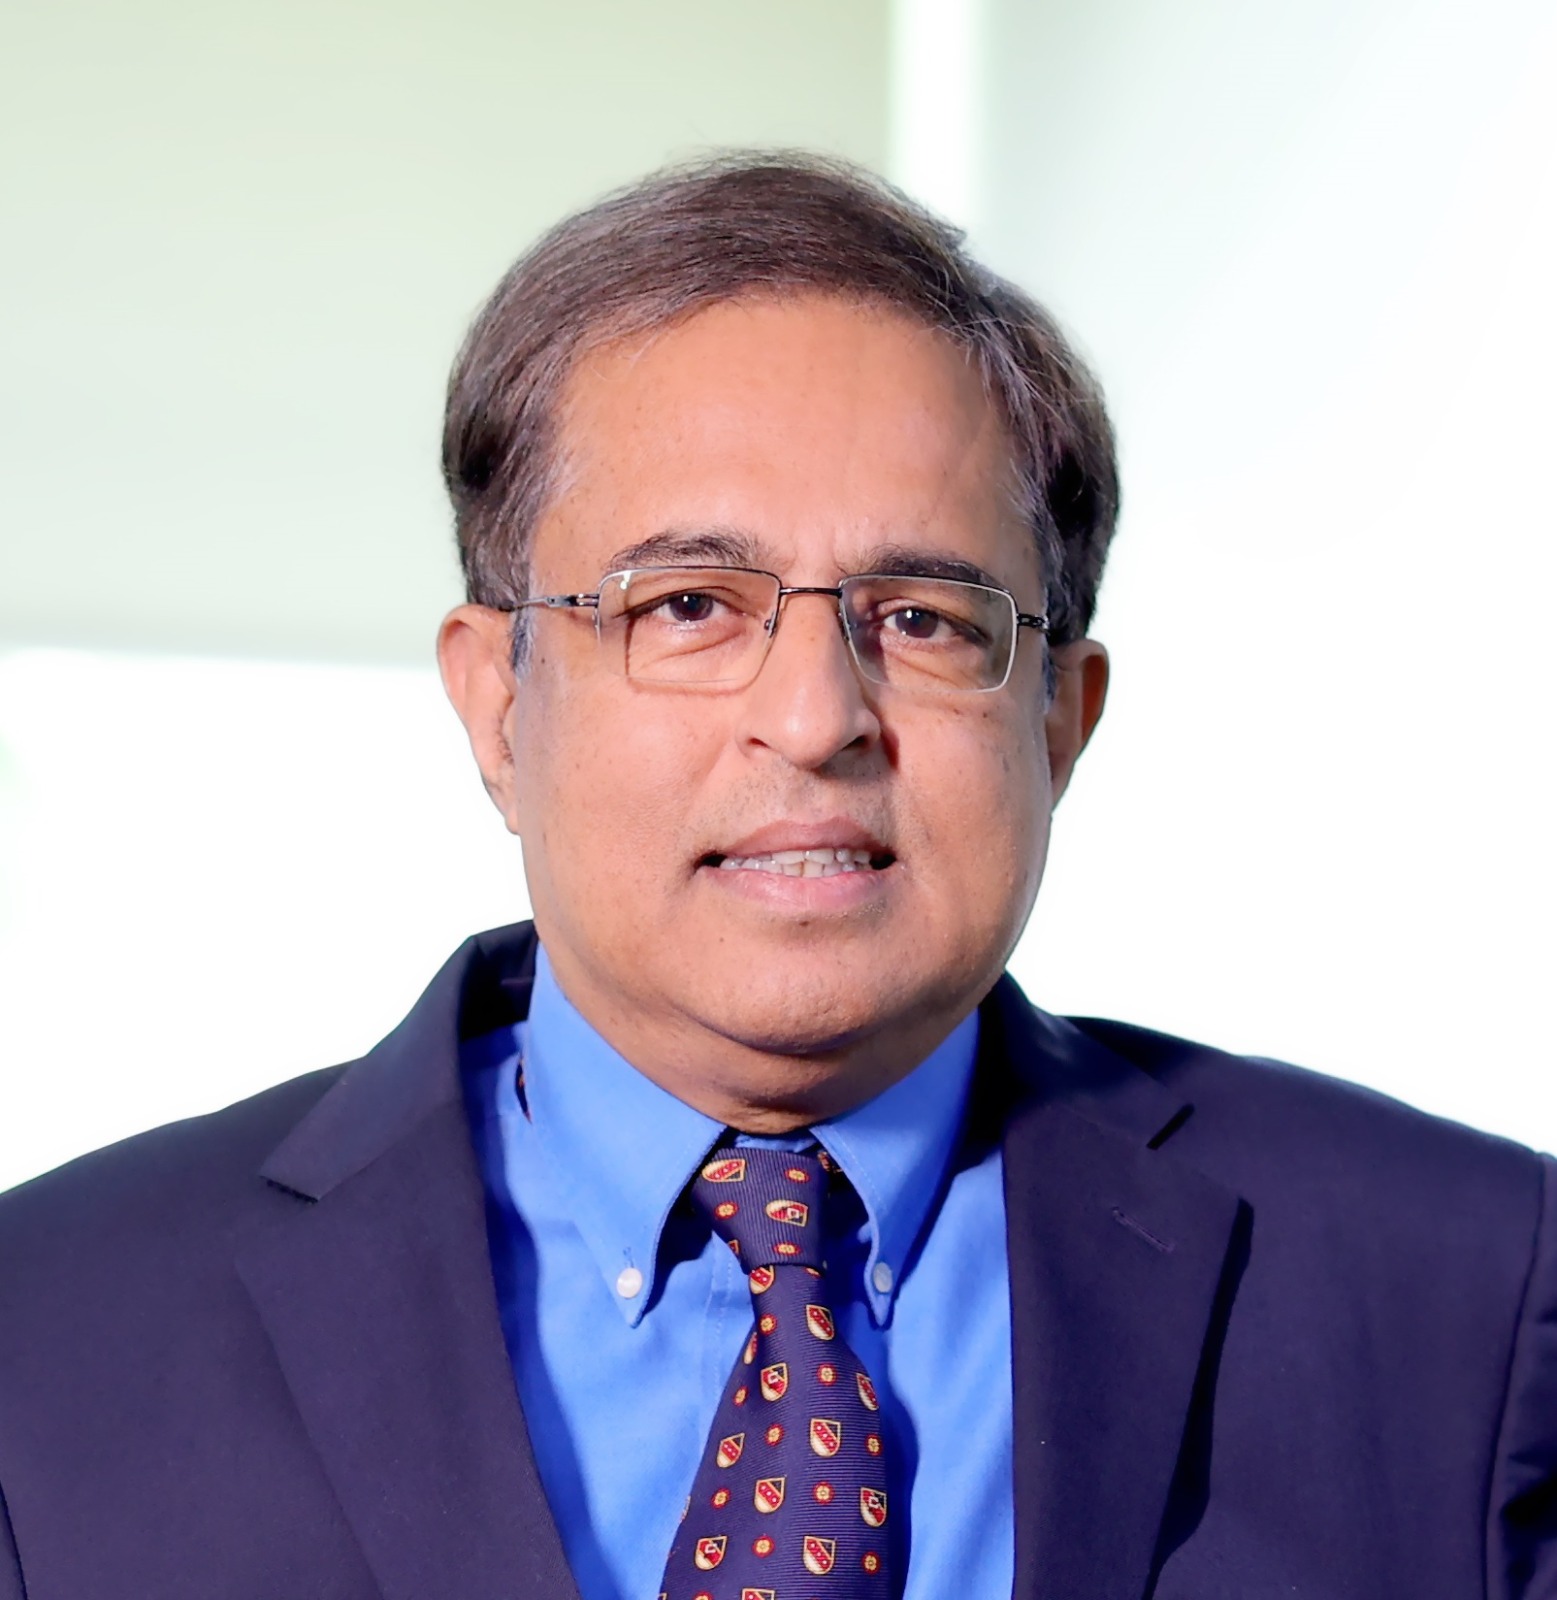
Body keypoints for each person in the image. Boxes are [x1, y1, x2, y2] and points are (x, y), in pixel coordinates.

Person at [0, 152, 1552, 1600]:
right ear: (495, 703)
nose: (814, 720)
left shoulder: (1472, 1299)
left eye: (924, 620)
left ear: (1058, 721)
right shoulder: (49, 1332)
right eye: (687, 605)